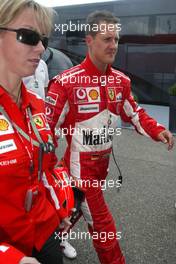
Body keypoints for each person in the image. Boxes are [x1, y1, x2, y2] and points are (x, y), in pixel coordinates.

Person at [45, 10, 174, 264]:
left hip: (96, 173)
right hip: (80, 176)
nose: (113, 45)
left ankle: (45, 245)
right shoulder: (65, 83)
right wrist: (46, 177)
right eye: (106, 39)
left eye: (116, 40)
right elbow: (46, 133)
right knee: (106, 234)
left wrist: (158, 130)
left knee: (62, 218)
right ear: (89, 40)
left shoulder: (121, 81)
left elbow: (134, 113)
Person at [0, 1, 74, 264]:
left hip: (45, 231)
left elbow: (47, 166)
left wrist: (60, 208)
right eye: (29, 36)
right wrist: (10, 259)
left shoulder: (36, 104)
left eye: (43, 38)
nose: (41, 48)